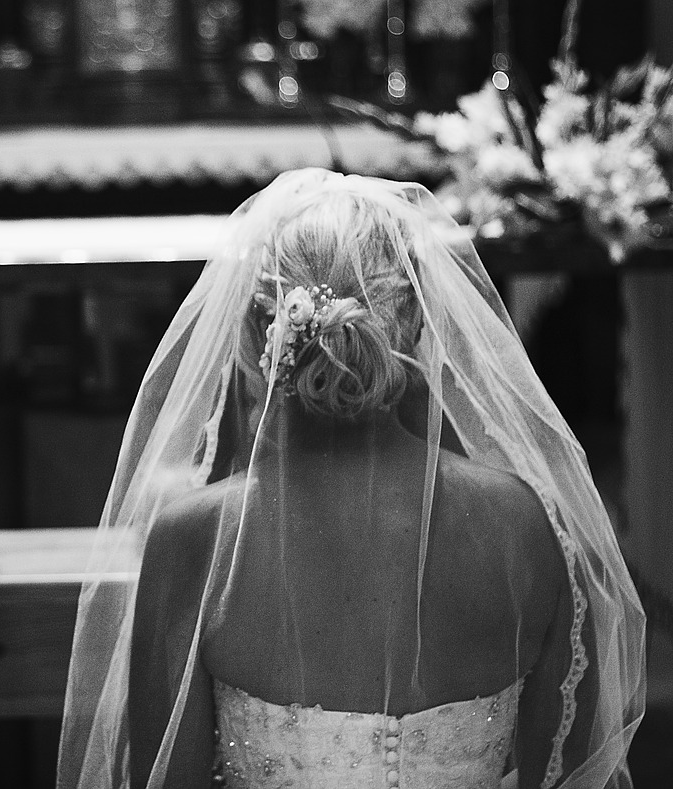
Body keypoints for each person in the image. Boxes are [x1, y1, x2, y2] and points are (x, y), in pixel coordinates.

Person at [57, 169, 645, 788]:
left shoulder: (194, 543)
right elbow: (577, 771)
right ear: (417, 323)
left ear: (253, 333)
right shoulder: (527, 526)